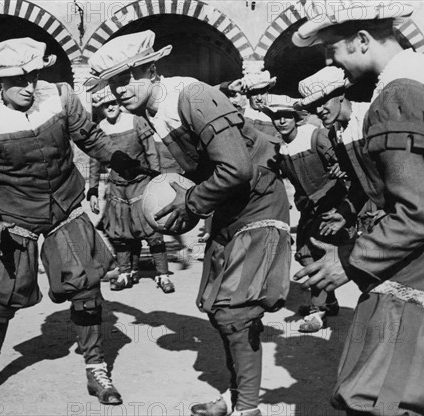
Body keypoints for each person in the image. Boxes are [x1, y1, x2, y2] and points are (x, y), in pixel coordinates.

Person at [87, 30, 291, 416]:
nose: (121, 89)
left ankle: (247, 408)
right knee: (216, 307)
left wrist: (191, 203)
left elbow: (236, 168)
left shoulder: (192, 97)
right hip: (228, 203)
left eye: (130, 77)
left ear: (153, 70)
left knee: (235, 310)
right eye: (114, 82)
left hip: (258, 200)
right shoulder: (149, 112)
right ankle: (237, 394)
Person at [292, 2, 424, 414]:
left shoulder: (398, 95)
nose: (332, 60)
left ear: (363, 40)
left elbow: (417, 211)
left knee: (381, 396)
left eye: (332, 48)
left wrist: (350, 260)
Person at [0, 38, 144, 404]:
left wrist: (119, 159)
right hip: (15, 213)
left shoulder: (60, 96)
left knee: (87, 289)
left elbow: (90, 137)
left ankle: (96, 370)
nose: (28, 87)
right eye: (18, 80)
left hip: (65, 204)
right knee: (2, 295)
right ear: (0, 80)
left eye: (33, 76)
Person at [262, 93, 349, 333]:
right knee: (304, 254)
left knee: (317, 255)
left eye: (287, 117)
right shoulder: (280, 147)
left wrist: (340, 170)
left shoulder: (315, 135)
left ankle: (317, 312)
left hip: (331, 205)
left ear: (296, 118)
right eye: (277, 117)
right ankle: (328, 302)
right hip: (308, 208)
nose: (282, 121)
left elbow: (342, 159)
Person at [87, 86, 173, 293]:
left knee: (152, 231)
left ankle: (162, 275)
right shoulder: (99, 129)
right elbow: (94, 163)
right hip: (117, 188)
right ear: (100, 108)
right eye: (105, 105)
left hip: (141, 184)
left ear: (119, 103)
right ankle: (126, 273)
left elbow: (151, 153)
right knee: (120, 232)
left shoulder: (136, 121)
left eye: (113, 103)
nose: (110, 107)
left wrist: (156, 180)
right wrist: (92, 190)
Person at [294, 66, 378, 237]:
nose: (318, 110)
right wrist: (344, 213)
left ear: (340, 94)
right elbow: (360, 183)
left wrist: (394, 209)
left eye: (323, 102)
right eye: (314, 105)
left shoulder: (371, 117)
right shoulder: (335, 133)